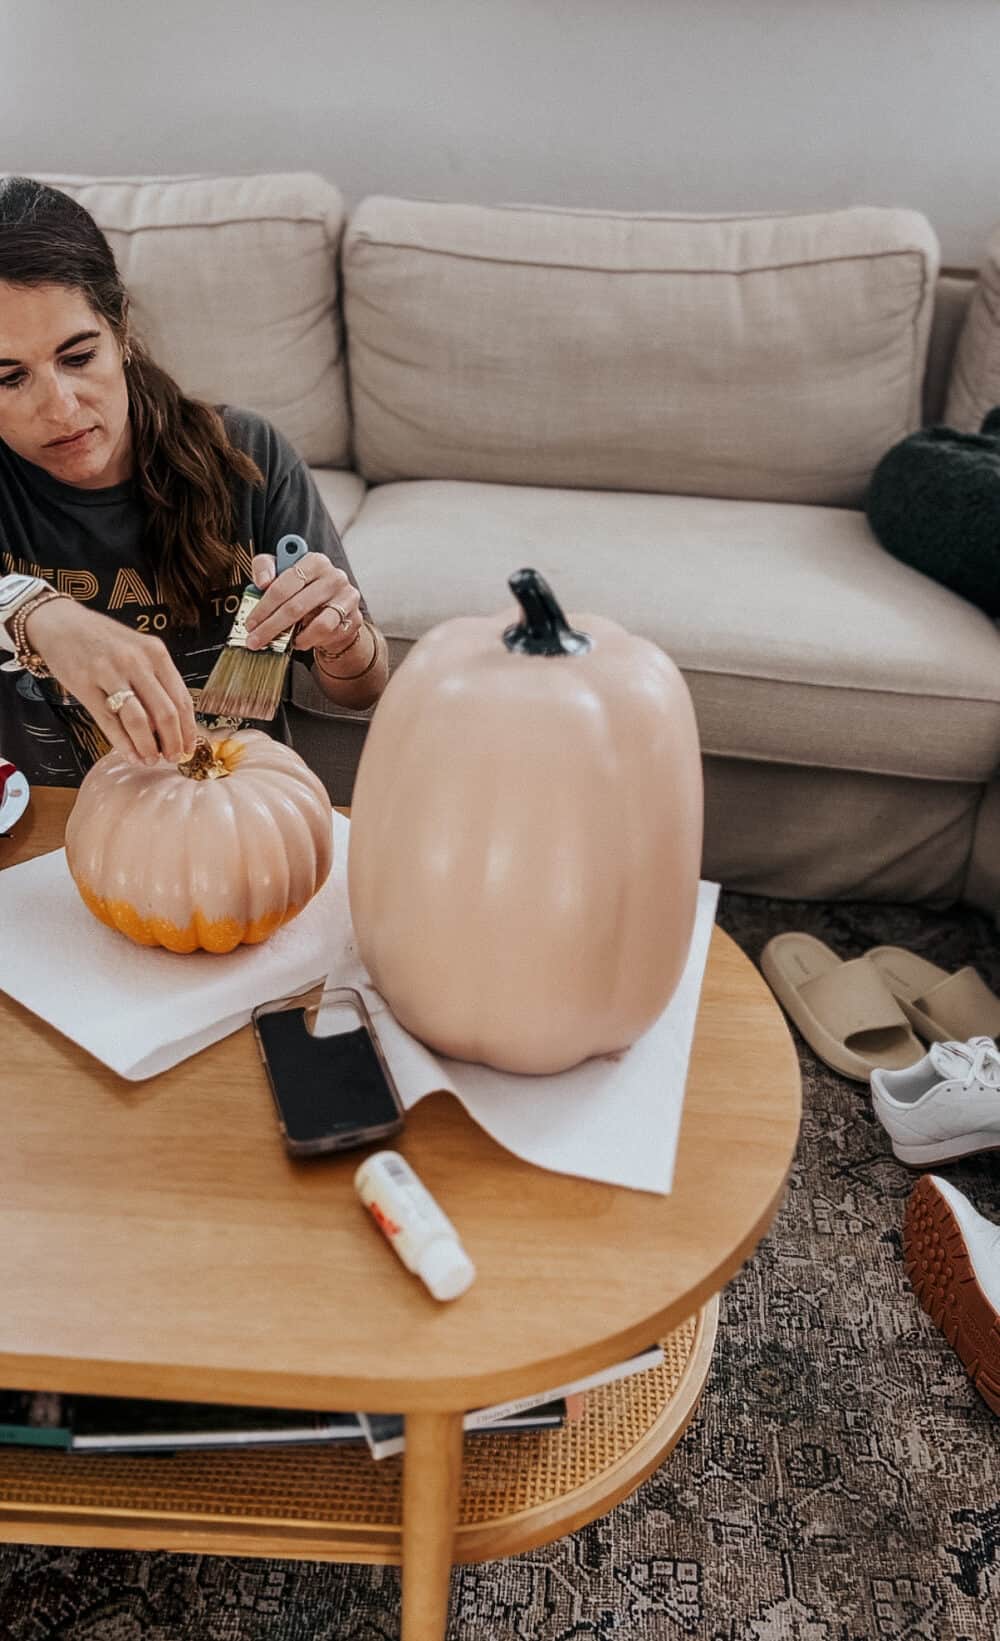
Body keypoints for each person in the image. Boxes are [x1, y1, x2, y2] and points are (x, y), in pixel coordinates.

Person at [0, 176, 388, 786]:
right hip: (54, 830)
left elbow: (360, 689)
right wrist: (37, 616)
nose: (63, 408)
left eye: (79, 357)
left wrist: (341, 637)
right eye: (9, 378)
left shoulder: (246, 454)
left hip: (240, 812)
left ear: (121, 330)